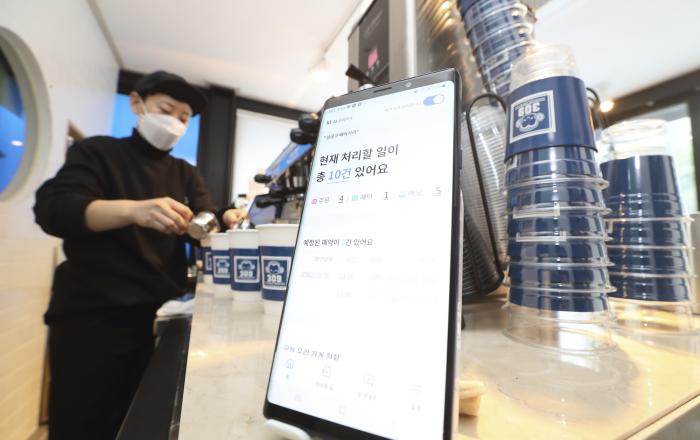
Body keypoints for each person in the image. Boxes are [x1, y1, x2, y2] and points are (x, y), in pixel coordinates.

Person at [33, 71, 244, 440]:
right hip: (92, 318)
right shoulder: (98, 152)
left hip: (156, 318)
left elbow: (205, 217)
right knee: (82, 424)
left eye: (184, 118)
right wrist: (133, 211)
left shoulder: (185, 173)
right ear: (136, 103)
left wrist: (224, 218)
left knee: (142, 423)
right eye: (166, 109)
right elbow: (55, 209)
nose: (174, 122)